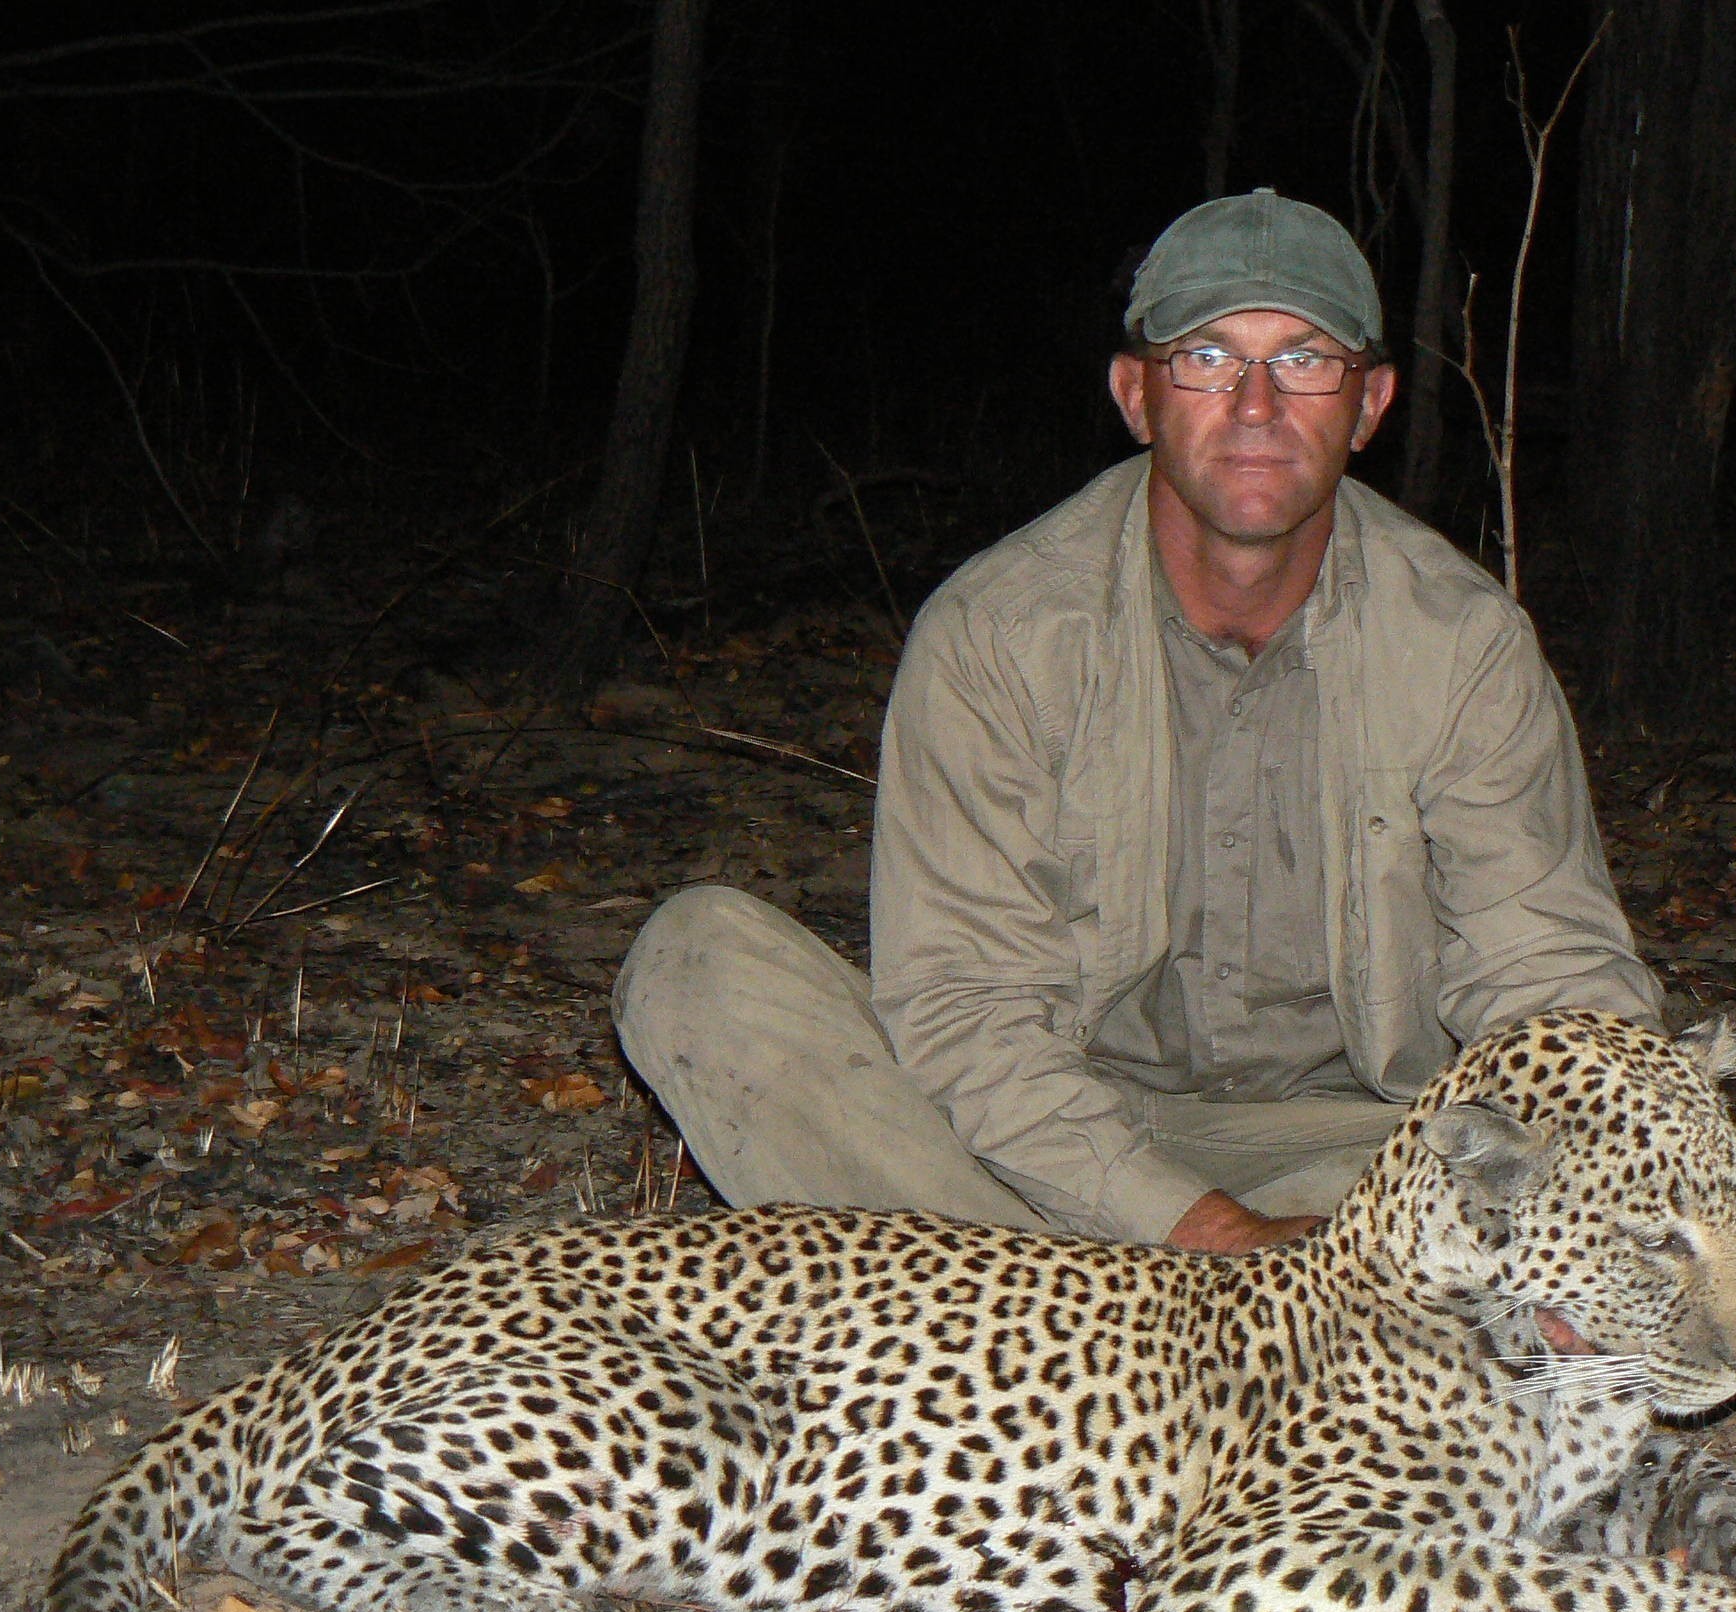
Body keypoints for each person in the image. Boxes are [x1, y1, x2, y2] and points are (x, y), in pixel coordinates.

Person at [614, 189, 1661, 1252]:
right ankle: (1185, 1333)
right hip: (1030, 1146)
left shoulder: (1462, 641)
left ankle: (1049, 1340)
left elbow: (1550, 977)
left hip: (1358, 1153)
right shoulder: (999, 631)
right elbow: (966, 1012)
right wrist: (1197, 1230)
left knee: (1508, 1185)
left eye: (1304, 359)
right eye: (1205, 357)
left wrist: (1594, 1189)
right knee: (699, 963)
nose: (1256, 404)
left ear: (1371, 402)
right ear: (1136, 395)